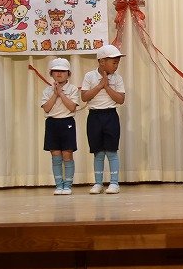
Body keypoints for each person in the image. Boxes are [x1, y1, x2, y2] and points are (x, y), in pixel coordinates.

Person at [81, 44, 126, 194]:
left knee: (112, 151)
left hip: (110, 116)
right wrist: (100, 85)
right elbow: (84, 97)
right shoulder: (89, 76)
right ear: (101, 62)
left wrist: (107, 87)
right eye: (114, 62)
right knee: (98, 152)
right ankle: (98, 183)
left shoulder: (118, 78)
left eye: (117, 63)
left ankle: (114, 183)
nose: (116, 66)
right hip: (94, 117)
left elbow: (121, 99)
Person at [41, 58, 79, 195]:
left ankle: (67, 185)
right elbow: (46, 108)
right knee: (56, 156)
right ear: (51, 73)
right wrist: (55, 94)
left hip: (67, 122)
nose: (59, 73)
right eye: (56, 71)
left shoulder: (73, 89)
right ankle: (59, 185)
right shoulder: (47, 91)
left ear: (69, 74)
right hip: (52, 123)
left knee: (67, 155)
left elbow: (72, 107)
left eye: (63, 71)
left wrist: (61, 93)